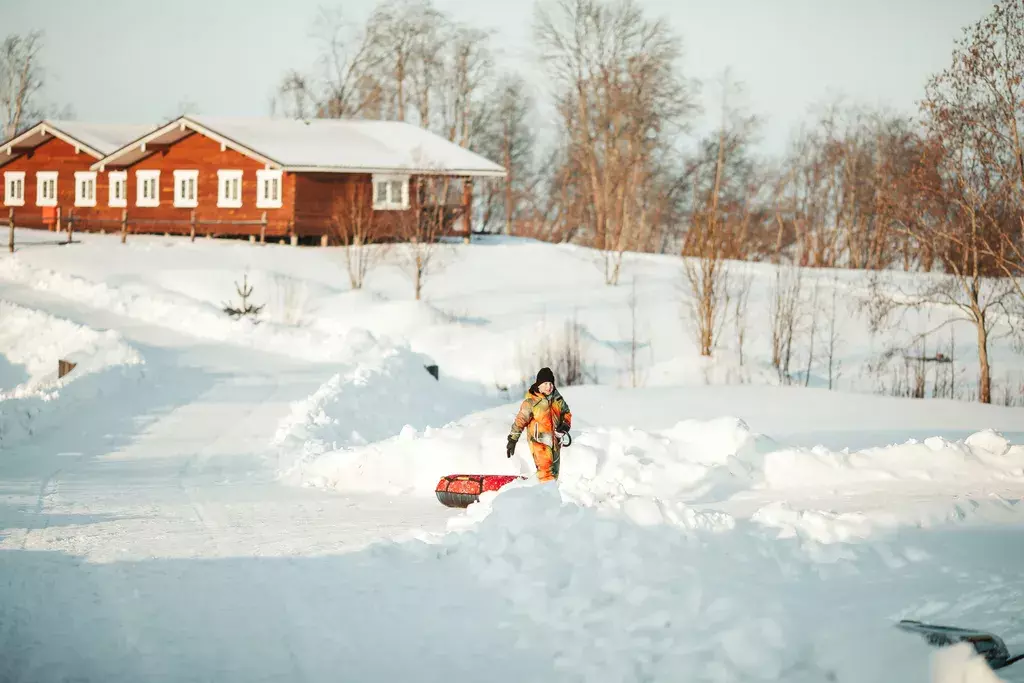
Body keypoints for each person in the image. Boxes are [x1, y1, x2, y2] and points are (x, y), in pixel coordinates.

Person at [506, 367, 572, 482]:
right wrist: (513, 439)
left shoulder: (557, 399)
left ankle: (550, 497)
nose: (549, 386)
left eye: (551, 383)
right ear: (539, 385)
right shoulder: (531, 402)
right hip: (539, 444)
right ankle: (547, 498)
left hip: (555, 443)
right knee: (546, 477)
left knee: (554, 476)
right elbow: (520, 421)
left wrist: (565, 425)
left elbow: (566, 413)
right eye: (545, 383)